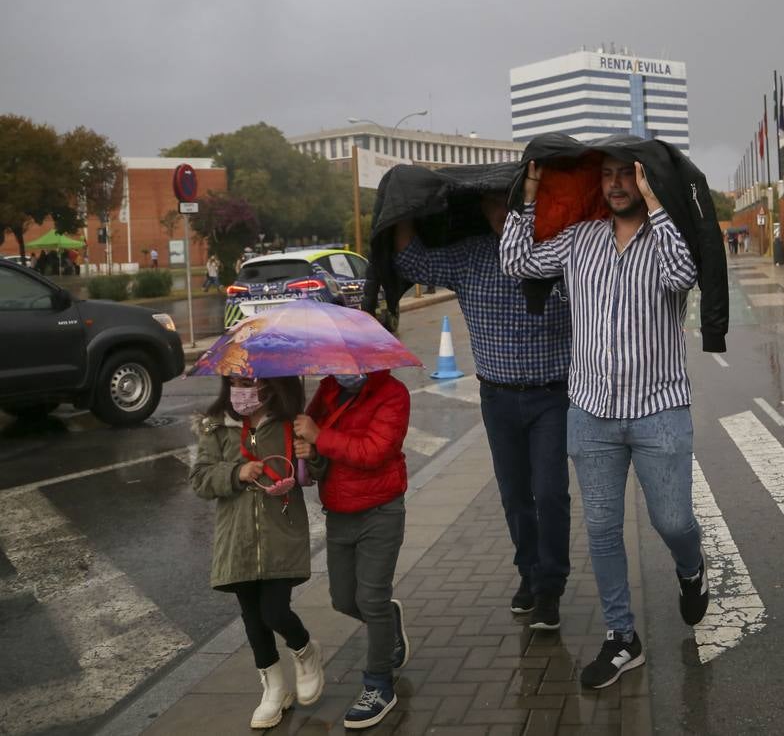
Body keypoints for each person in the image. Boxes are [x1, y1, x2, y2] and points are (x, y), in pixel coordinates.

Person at [501, 155, 709, 690]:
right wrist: (528, 195)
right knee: (601, 530)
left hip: (659, 407)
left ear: (643, 180)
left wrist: (656, 199)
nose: (618, 184)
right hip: (591, 412)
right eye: (610, 175)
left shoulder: (665, 239)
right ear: (599, 183)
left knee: (673, 523)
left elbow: (685, 275)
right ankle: (622, 637)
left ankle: (690, 567)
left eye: (629, 174)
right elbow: (517, 262)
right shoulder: (579, 240)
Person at [392, 192, 572, 631]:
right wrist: (406, 201)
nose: (502, 214)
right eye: (494, 206)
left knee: (549, 493)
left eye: (511, 205)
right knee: (515, 495)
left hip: (553, 395)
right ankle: (529, 574)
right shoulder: (469, 256)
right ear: (481, 211)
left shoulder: (558, 251)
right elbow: (411, 260)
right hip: (498, 398)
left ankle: (551, 586)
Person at [189, 374, 323, 730]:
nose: (243, 388)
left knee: (275, 612)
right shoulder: (217, 425)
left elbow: (316, 472)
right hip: (238, 540)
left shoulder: (290, 422)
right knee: (252, 619)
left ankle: (306, 651)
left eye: (251, 380)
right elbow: (200, 478)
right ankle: (274, 688)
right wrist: (236, 472)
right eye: (236, 380)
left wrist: (314, 451)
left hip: (281, 533)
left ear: (271, 382)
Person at [292, 368, 410, 730]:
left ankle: (379, 686)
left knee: (371, 599)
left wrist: (319, 437)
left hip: (380, 509)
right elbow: (308, 433)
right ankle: (389, 624)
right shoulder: (329, 388)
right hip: (339, 511)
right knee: (344, 599)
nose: (345, 369)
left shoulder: (393, 393)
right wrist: (306, 446)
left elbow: (373, 451)